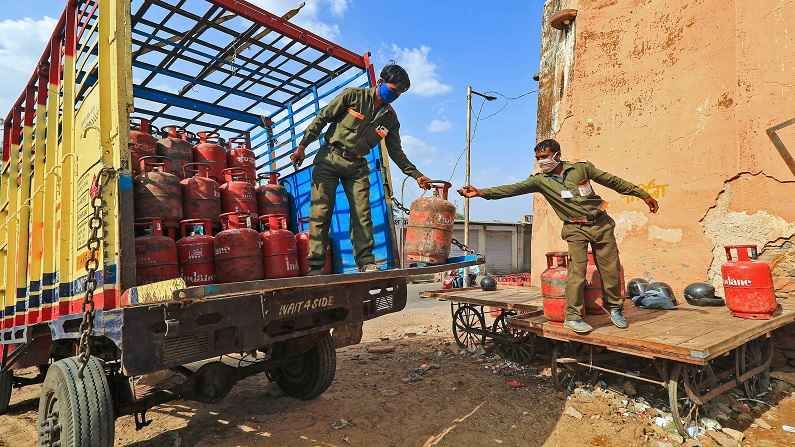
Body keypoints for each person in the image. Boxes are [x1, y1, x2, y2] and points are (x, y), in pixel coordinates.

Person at [458, 139, 659, 334]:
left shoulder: (581, 169)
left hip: (601, 223)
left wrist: (643, 194)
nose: (541, 161)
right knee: (577, 272)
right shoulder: (541, 181)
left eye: (544, 156)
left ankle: (615, 309)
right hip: (574, 228)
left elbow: (613, 181)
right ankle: (573, 317)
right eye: (538, 158)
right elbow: (513, 189)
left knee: (610, 269)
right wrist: (481, 192)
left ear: (557, 155)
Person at [290, 64, 432, 274]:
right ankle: (316, 266)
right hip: (329, 158)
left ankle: (366, 262)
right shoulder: (353, 96)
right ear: (380, 82)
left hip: (357, 165)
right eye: (393, 90)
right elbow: (322, 118)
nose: (395, 96)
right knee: (321, 212)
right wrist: (303, 146)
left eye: (399, 94)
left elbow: (396, 152)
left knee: (362, 214)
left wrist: (416, 175)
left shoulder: (390, 120)